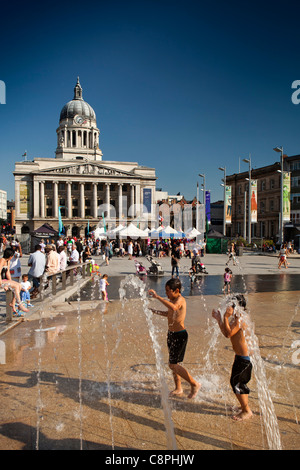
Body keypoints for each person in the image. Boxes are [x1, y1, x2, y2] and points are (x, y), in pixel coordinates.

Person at [148, 278, 200, 399]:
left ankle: (194, 384)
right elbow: (169, 313)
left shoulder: (180, 300)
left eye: (167, 291)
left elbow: (174, 308)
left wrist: (157, 297)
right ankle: (178, 387)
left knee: (173, 364)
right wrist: (155, 312)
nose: (166, 293)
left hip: (180, 335)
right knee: (175, 363)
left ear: (176, 290)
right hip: (171, 334)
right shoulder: (173, 300)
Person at [212, 294, 253, 421]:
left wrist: (224, 316)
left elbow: (229, 333)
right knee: (238, 383)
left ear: (236, 307)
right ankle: (243, 407)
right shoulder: (236, 318)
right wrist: (220, 319)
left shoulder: (241, 318)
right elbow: (226, 333)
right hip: (240, 357)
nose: (227, 307)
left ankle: (247, 411)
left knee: (237, 383)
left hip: (244, 359)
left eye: (230, 305)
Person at [0, 248, 29, 314]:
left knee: (19, 285)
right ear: (10, 255)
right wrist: (2, 283)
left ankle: (13, 303)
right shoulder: (2, 260)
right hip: (1, 280)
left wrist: (10, 281)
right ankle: (19, 304)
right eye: (12, 255)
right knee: (16, 286)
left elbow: (7, 272)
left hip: (4, 280)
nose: (12, 257)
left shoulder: (8, 261)